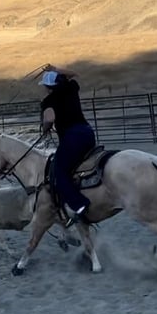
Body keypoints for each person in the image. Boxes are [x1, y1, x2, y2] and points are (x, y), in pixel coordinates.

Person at [38, 64, 96, 226]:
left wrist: (45, 129)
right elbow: (74, 73)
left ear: (48, 87)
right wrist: (55, 69)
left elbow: (49, 119)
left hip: (72, 137)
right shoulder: (71, 87)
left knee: (59, 171)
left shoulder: (49, 100)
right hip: (87, 133)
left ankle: (79, 205)